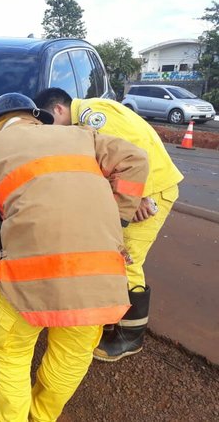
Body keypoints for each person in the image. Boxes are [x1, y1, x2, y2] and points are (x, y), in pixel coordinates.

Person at [0, 93, 149, 422]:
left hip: (28, 279)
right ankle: (42, 417)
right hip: (99, 276)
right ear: (38, 117)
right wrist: (117, 219)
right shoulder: (80, 134)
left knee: (12, 355)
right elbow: (136, 160)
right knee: (70, 357)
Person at [33, 87, 184, 362]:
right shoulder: (80, 122)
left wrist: (136, 197)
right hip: (136, 191)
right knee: (111, 254)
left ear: (58, 109)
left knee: (127, 260)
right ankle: (113, 318)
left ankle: (130, 337)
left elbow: (135, 152)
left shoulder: (93, 116)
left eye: (48, 122)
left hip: (151, 191)